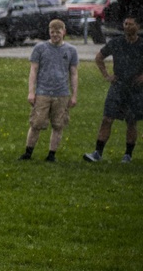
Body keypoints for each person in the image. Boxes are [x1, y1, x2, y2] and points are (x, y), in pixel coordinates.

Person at [83, 15, 143, 163]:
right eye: (125, 23)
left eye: (130, 24)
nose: (127, 26)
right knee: (107, 119)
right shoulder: (116, 42)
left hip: (135, 88)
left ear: (138, 27)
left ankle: (127, 155)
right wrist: (106, 75)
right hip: (118, 86)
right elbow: (99, 57)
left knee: (131, 121)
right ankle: (97, 153)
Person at [19, 19, 79, 162]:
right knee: (36, 124)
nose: (54, 35)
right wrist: (31, 92)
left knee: (58, 125)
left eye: (58, 32)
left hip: (62, 94)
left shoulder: (71, 51)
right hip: (43, 93)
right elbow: (33, 70)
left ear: (63, 32)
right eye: (52, 32)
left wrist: (74, 95)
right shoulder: (40, 48)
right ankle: (28, 153)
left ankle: (51, 155)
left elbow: (74, 73)